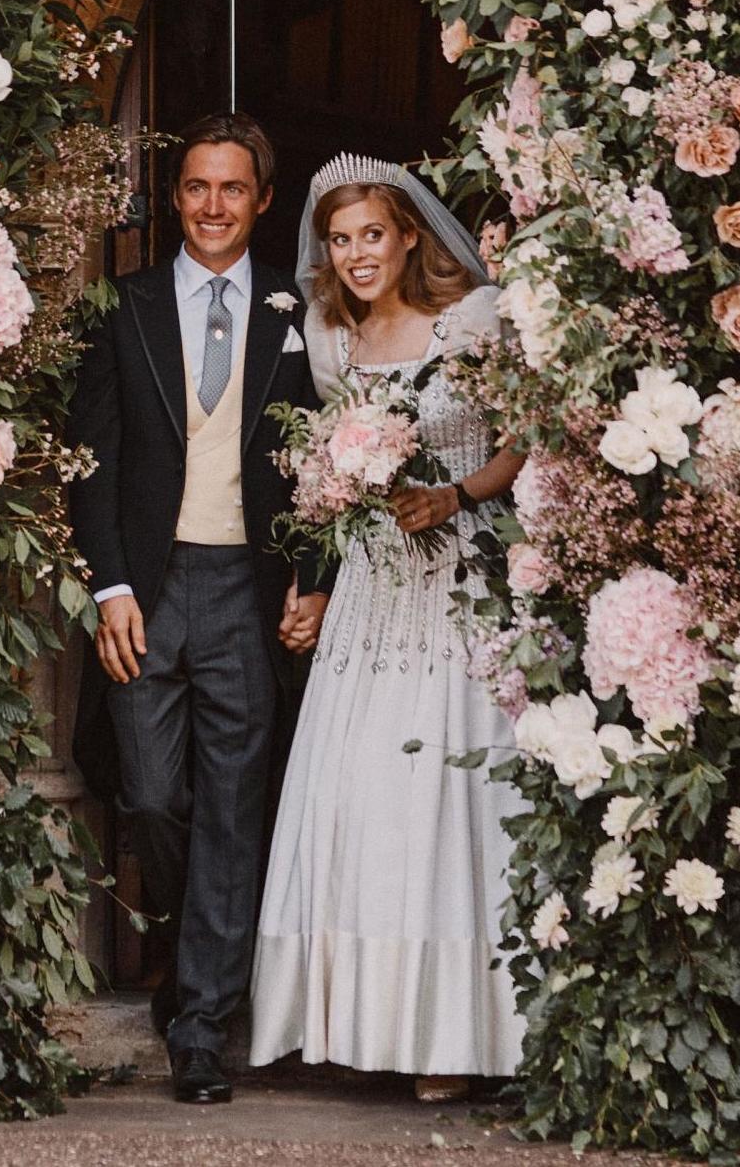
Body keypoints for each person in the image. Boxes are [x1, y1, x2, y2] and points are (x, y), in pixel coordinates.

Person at [67, 112, 333, 1105]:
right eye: (195, 188)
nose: (212, 206)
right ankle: (188, 954)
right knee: (149, 796)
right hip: (151, 581)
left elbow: (324, 469)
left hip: (247, 590)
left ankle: (199, 1026)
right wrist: (111, 586)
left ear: (262, 199)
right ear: (174, 197)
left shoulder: (296, 315)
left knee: (233, 807)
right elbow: (89, 463)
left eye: (232, 188)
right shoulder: (125, 306)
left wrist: (310, 578)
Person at [249, 154, 526, 1098]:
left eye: (373, 234)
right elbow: (329, 489)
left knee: (446, 800)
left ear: (411, 234)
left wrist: (455, 492)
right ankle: (358, 1022)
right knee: (360, 794)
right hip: (371, 593)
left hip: (458, 581)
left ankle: (452, 1038)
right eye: (340, 239)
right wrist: (315, 584)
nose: (357, 254)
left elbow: (522, 437)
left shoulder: (473, 321)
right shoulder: (331, 341)